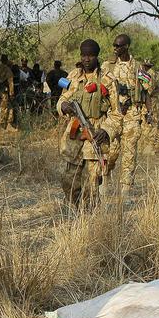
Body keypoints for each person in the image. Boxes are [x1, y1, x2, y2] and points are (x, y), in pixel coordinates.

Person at [57, 40, 122, 208]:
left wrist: (106, 131)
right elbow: (62, 99)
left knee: (91, 184)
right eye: (84, 55)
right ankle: (75, 208)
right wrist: (63, 106)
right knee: (68, 181)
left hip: (95, 135)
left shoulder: (107, 80)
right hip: (74, 136)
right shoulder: (72, 76)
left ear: (97, 56)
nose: (87, 59)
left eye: (91, 55)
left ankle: (88, 218)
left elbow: (116, 114)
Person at [102, 34, 151, 198]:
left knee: (129, 154)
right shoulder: (107, 66)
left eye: (119, 45)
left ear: (127, 46)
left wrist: (148, 113)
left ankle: (125, 191)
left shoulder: (138, 67)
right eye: (114, 45)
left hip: (132, 115)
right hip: (114, 116)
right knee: (111, 153)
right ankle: (105, 178)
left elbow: (147, 91)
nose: (115, 48)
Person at [140, 59, 159, 155]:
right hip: (147, 101)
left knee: (151, 123)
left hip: (151, 102)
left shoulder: (150, 74)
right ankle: (146, 147)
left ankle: (150, 147)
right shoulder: (146, 74)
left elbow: (149, 90)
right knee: (145, 124)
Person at [0, 54, 16, 131]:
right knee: (4, 108)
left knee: (9, 107)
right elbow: (10, 81)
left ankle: (9, 124)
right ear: (6, 60)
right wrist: (12, 93)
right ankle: (2, 126)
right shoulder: (7, 69)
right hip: (4, 92)